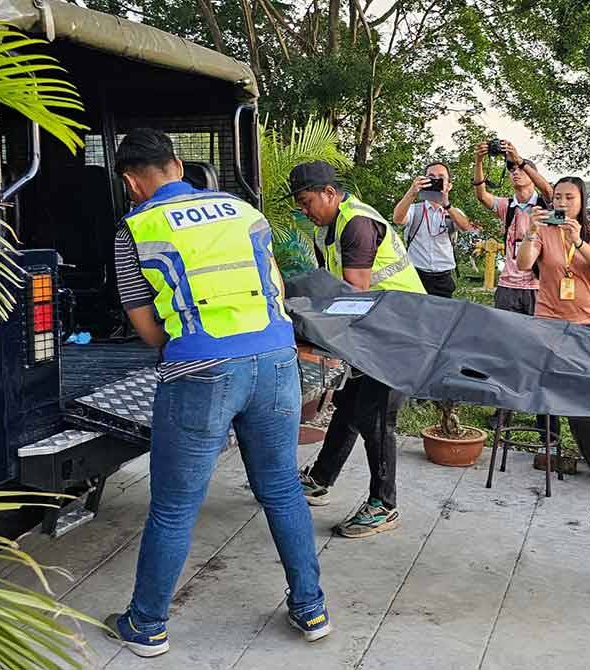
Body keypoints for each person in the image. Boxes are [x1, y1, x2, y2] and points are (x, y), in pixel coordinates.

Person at [105, 129, 330, 657]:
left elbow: (150, 332)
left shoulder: (135, 227)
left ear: (130, 182)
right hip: (277, 361)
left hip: (201, 369)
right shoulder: (242, 210)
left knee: (175, 506)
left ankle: (146, 624)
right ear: (178, 166)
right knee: (280, 489)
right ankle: (312, 608)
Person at [291, 160, 425, 538]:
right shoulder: (325, 231)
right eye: (299, 205)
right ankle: (320, 478)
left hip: (401, 332)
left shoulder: (357, 224)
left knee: (377, 417)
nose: (304, 210)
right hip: (372, 332)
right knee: (349, 404)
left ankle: (384, 504)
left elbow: (353, 293)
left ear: (329, 193)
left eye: (307, 202)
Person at [515, 176, 590, 440]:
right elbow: (524, 264)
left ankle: (589, 442)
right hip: (548, 317)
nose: (562, 202)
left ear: (582, 201)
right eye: (558, 197)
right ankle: (549, 439)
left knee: (584, 383)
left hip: (587, 318)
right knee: (546, 380)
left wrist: (577, 241)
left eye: (570, 198)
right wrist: (531, 232)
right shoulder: (545, 231)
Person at [473, 140, 554, 428]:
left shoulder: (544, 207)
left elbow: (548, 190)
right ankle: (504, 412)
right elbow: (482, 195)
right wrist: (479, 160)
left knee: (540, 350)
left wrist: (519, 160)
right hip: (508, 286)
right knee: (506, 350)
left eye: (520, 169)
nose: (515, 173)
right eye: (511, 170)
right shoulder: (507, 207)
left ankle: (544, 418)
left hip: (536, 287)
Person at [392, 161, 479, 298]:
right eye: (431, 177)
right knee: (414, 317)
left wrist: (447, 205)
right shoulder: (415, 210)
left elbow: (465, 228)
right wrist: (411, 192)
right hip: (416, 274)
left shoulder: (453, 212)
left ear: (449, 185)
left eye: (441, 177)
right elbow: (397, 219)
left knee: (440, 318)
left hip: (443, 277)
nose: (435, 180)